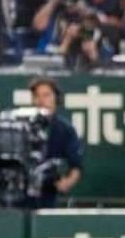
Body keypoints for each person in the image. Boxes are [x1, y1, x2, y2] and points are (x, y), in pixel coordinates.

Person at [28, 77, 84, 208]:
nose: (41, 100)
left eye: (46, 95)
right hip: (21, 194)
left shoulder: (65, 129)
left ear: (56, 98)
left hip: (49, 196)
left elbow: (76, 166)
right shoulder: (23, 125)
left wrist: (67, 182)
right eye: (37, 96)